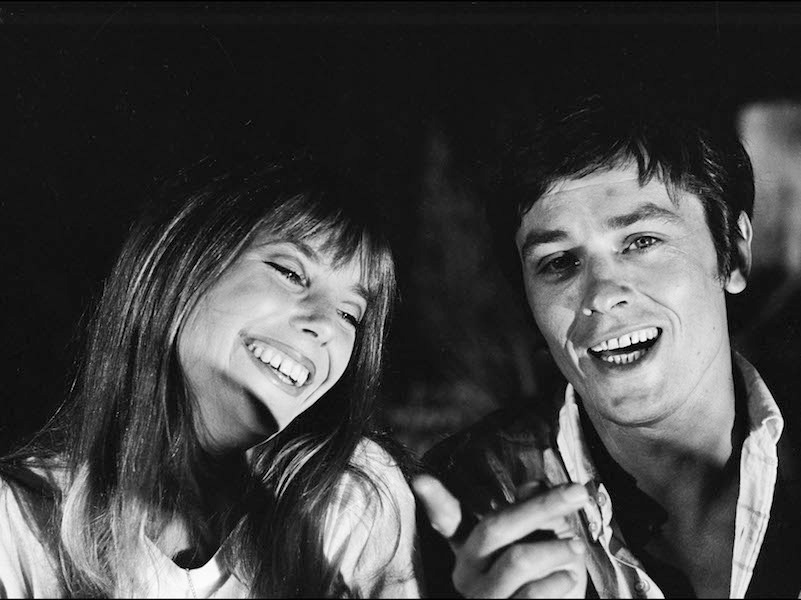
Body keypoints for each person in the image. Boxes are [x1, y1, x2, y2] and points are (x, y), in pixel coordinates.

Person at [413, 93, 801, 598]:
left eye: (641, 242)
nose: (600, 295)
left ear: (735, 256)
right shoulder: (474, 500)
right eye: (558, 262)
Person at [0, 154, 421, 597]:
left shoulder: (350, 497)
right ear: (180, 265)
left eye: (350, 314)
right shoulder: (17, 523)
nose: (326, 325)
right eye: (291, 272)